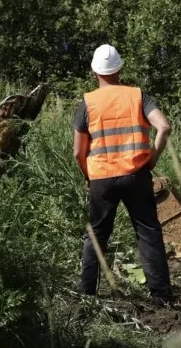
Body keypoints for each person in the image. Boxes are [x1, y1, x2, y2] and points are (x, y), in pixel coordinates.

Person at [73, 44, 174, 305]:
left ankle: (87, 296)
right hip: (136, 174)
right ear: (120, 69)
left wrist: (89, 175)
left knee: (96, 235)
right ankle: (162, 297)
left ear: (95, 71)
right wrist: (152, 158)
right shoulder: (139, 96)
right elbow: (164, 126)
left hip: (101, 178)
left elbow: (78, 152)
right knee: (148, 232)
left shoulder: (87, 103)